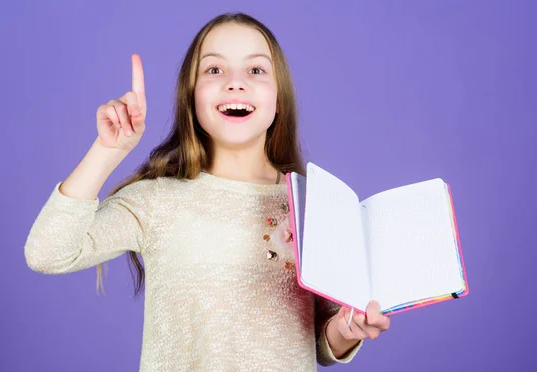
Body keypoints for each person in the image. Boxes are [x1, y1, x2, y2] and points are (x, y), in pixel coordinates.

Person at [24, 12, 390, 371]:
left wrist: (347, 329)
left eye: (256, 70)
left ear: (279, 99)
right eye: (214, 70)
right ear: (192, 97)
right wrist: (108, 151)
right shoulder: (156, 200)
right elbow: (48, 253)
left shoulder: (314, 203)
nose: (235, 83)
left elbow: (322, 339)